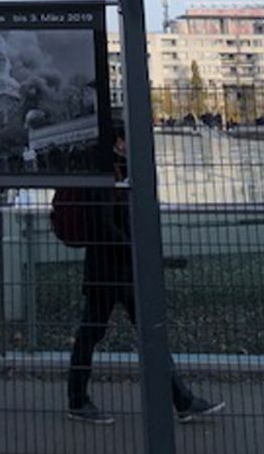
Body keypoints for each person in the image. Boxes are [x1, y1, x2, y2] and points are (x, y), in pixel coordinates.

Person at [53, 128, 224, 425]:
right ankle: (179, 401)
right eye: (127, 139)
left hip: (111, 269)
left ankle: (179, 400)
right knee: (126, 333)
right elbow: (104, 223)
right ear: (118, 142)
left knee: (104, 334)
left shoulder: (116, 170)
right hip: (113, 270)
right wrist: (135, 248)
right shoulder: (107, 173)